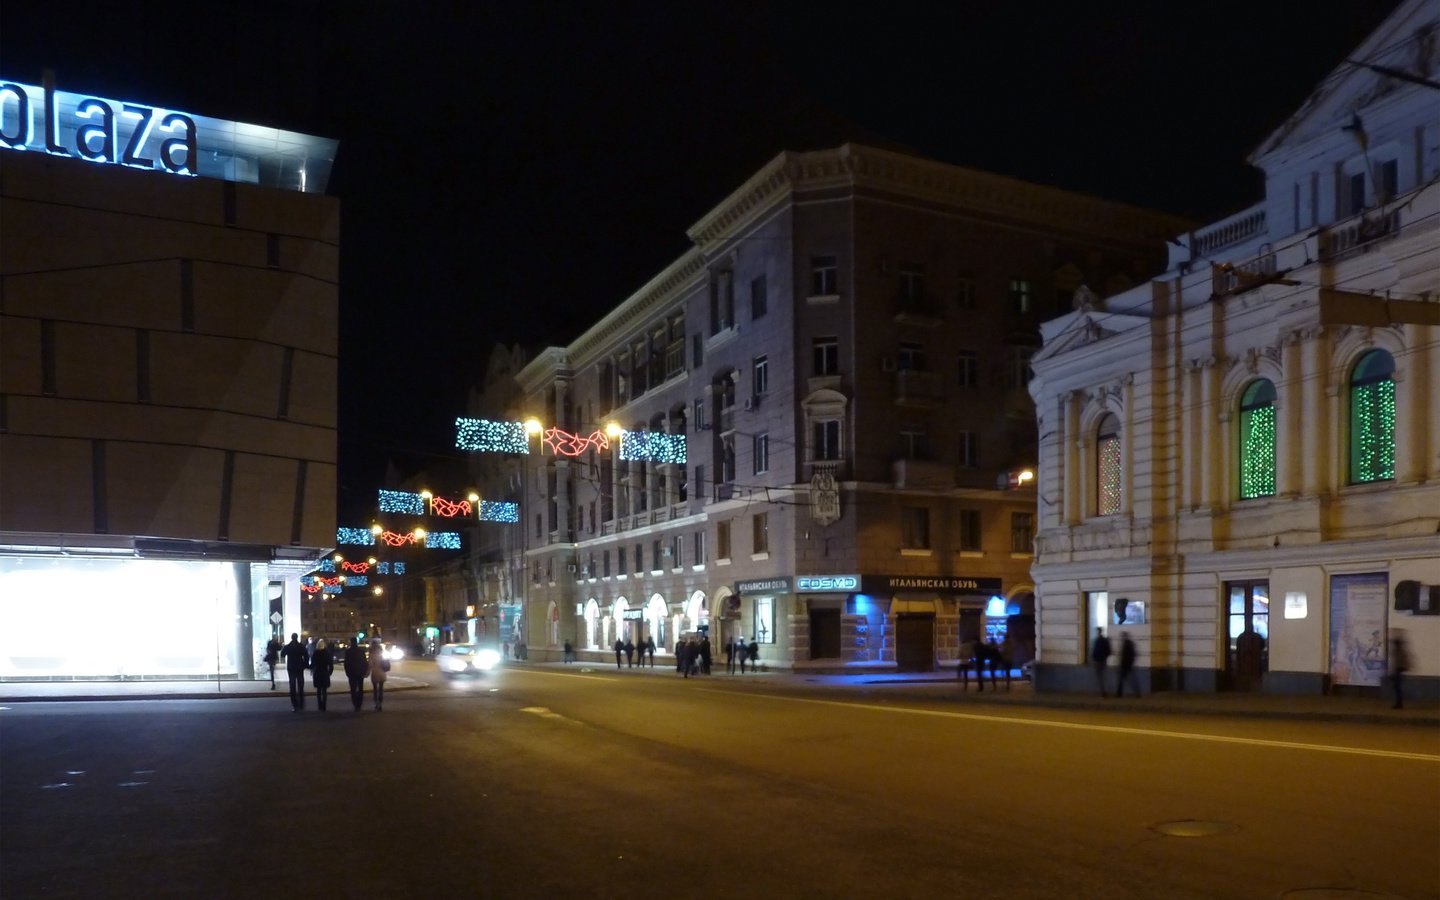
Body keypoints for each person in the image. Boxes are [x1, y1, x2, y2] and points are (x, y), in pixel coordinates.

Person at [280, 632, 309, 712]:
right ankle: (301, 704)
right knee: (300, 686)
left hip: (291, 668)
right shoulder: (301, 646)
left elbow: (282, 655)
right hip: (299, 667)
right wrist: (305, 665)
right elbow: (306, 656)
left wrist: (284, 648)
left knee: (292, 687)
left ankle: (295, 705)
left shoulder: (288, 647)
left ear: (291, 638)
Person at [343, 639, 369, 711]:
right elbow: (365, 662)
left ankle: (355, 704)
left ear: (351, 643)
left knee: (353, 689)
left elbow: (346, 663)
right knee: (360, 689)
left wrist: (347, 672)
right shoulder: (361, 651)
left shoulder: (348, 652)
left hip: (351, 673)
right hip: (360, 672)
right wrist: (365, 671)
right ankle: (359, 704)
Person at [311, 639, 334, 711]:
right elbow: (330, 664)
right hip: (324, 673)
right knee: (324, 691)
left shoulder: (315, 653)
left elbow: (312, 664)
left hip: (317, 672)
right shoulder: (326, 653)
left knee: (318, 690)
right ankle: (324, 705)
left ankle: (319, 704)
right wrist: (329, 672)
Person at [1390, 630, 1411, 710]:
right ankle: (1399, 703)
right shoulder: (1400, 649)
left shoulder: (1398, 650)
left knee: (1397, 687)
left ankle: (1399, 703)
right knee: (1397, 687)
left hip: (1398, 670)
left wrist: (1394, 670)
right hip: (1398, 670)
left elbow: (1398, 661)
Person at [368, 638, 389, 711]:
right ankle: (380, 704)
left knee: (375, 689)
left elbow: (370, 665)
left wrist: (366, 673)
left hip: (375, 673)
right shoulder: (382, 654)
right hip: (382, 673)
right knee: (380, 689)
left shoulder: (372, 655)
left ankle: (376, 704)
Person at [1117, 631, 1139, 698]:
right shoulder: (1129, 643)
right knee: (1130, 679)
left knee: (1123, 679)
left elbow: (1126, 655)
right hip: (1128, 665)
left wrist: (1123, 663)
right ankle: (1137, 693)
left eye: (1123, 636)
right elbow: (1134, 654)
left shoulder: (1127, 644)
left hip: (1126, 665)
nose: (1122, 638)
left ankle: (1119, 693)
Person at [1091, 627, 1112, 698]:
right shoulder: (1105, 640)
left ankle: (1103, 692)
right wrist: (1105, 657)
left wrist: (1094, 658)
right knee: (1103, 677)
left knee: (1100, 678)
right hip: (1103, 661)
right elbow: (1109, 651)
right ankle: (1104, 691)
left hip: (1098, 661)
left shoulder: (1098, 640)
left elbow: (1095, 651)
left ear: (1098, 632)